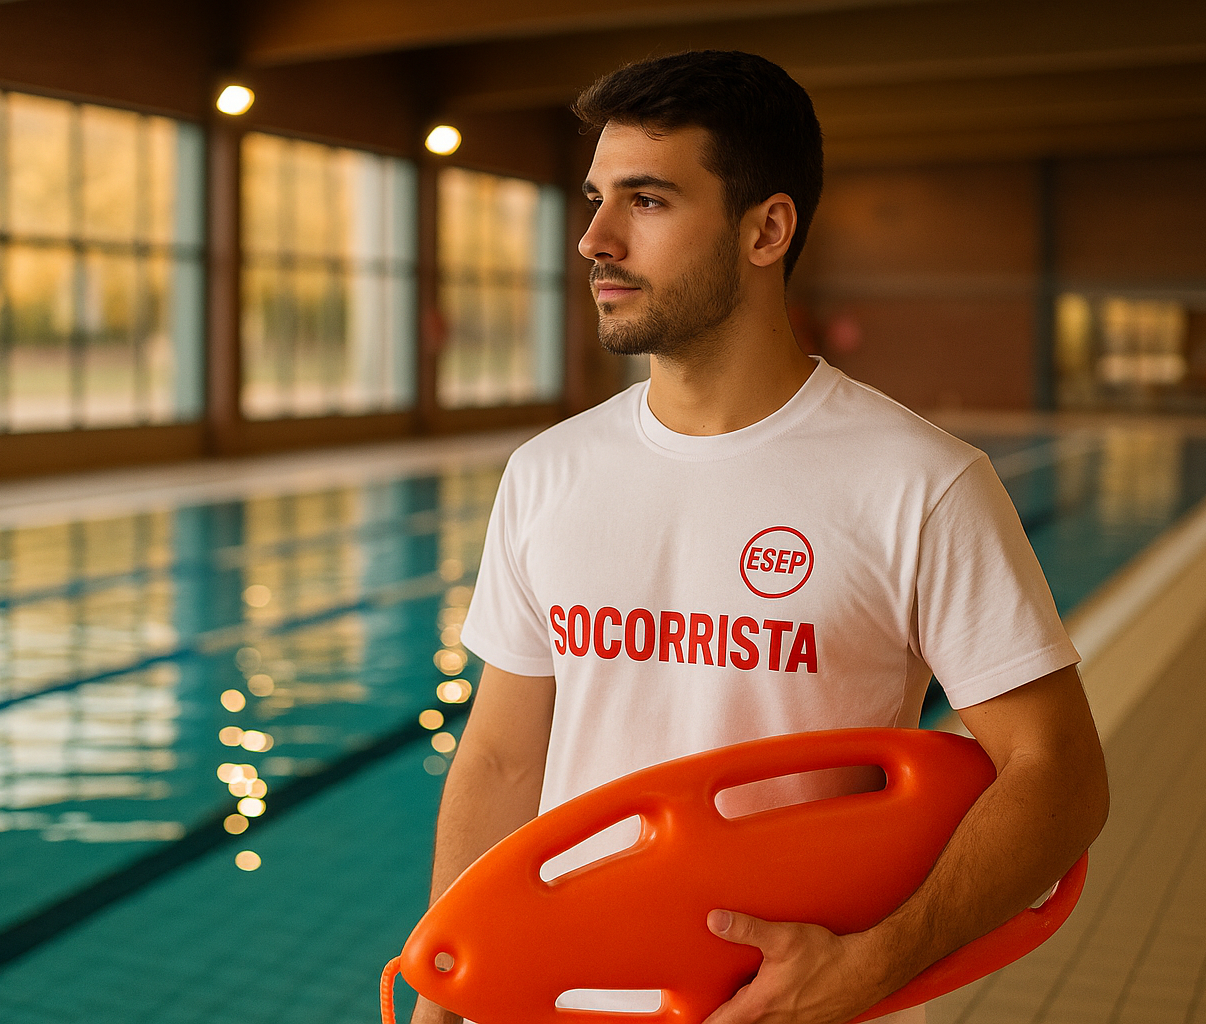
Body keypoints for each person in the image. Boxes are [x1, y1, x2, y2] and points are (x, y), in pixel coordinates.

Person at [413, 50, 1108, 1024]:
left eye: (646, 201)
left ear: (766, 229)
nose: (595, 239)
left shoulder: (918, 482)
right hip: (562, 993)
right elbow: (499, 758)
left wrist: (866, 968)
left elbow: (1060, 780)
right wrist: (454, 970)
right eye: (595, 199)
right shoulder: (549, 473)